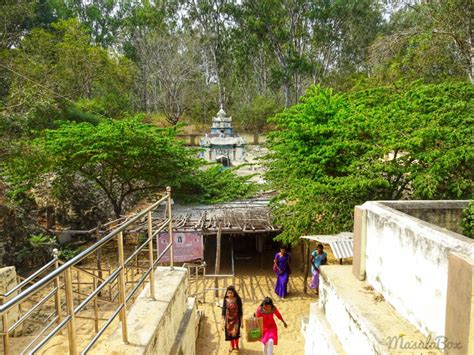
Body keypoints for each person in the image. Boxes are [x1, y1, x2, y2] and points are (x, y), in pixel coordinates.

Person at [222, 286, 243, 352]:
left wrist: (241, 322)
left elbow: (240, 311)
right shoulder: (225, 300)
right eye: (229, 293)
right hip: (228, 320)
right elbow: (223, 311)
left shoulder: (237, 300)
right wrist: (222, 322)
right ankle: (232, 346)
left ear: (234, 293)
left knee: (236, 333)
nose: (230, 294)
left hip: (236, 319)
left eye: (231, 293)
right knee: (230, 334)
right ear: (227, 294)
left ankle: (237, 346)